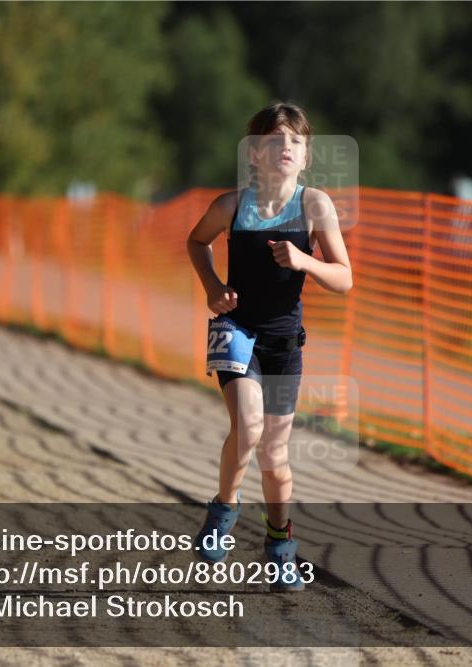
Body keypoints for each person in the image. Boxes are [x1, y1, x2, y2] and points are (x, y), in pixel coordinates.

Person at [186, 102, 352, 592]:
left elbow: (344, 278)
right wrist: (212, 287)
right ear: (254, 154)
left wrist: (304, 260)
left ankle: (280, 546)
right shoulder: (230, 206)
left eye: (295, 142)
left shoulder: (315, 206)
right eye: (274, 141)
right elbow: (197, 243)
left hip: (284, 341)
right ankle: (224, 510)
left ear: (306, 157)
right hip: (238, 332)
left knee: (275, 455)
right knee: (249, 426)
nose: (285, 148)